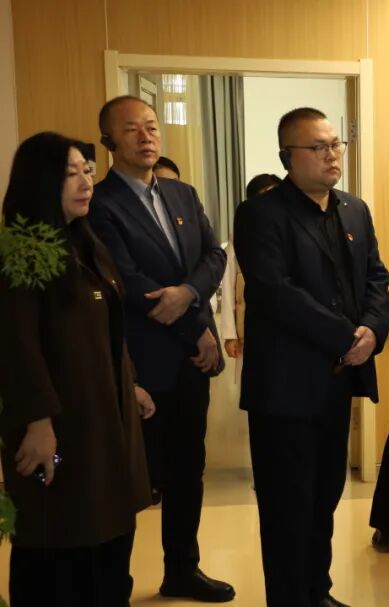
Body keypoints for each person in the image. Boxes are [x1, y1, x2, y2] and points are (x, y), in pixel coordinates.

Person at [234, 107, 389, 607]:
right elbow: (275, 293)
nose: (331, 155)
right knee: (287, 506)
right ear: (288, 157)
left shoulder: (353, 209)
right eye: (318, 147)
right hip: (285, 389)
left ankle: (317, 592)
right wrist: (347, 336)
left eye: (335, 144)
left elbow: (376, 277)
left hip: (337, 382)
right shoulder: (261, 214)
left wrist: (373, 329)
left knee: (324, 497)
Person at [88, 95, 233, 602]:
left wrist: (191, 297)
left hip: (192, 359)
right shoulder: (100, 204)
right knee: (134, 478)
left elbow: (214, 255)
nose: (146, 136)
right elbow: (127, 280)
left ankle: (182, 569)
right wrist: (196, 327)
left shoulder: (181, 193)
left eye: (151, 126)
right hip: (141, 364)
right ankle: (115, 584)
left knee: (188, 469)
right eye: (131, 129)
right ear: (109, 140)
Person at [0, 132, 155, 605]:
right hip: (58, 430)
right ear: (40, 181)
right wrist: (37, 420)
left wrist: (131, 384)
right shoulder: (22, 251)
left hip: (103, 421)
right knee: (58, 544)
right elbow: (15, 345)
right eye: (70, 174)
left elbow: (108, 330)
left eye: (87, 171)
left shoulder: (85, 242)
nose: (86, 182)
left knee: (107, 540)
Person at [219, 173, 282, 363]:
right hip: (250, 324)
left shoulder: (293, 231)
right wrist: (230, 334)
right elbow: (228, 283)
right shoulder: (241, 234)